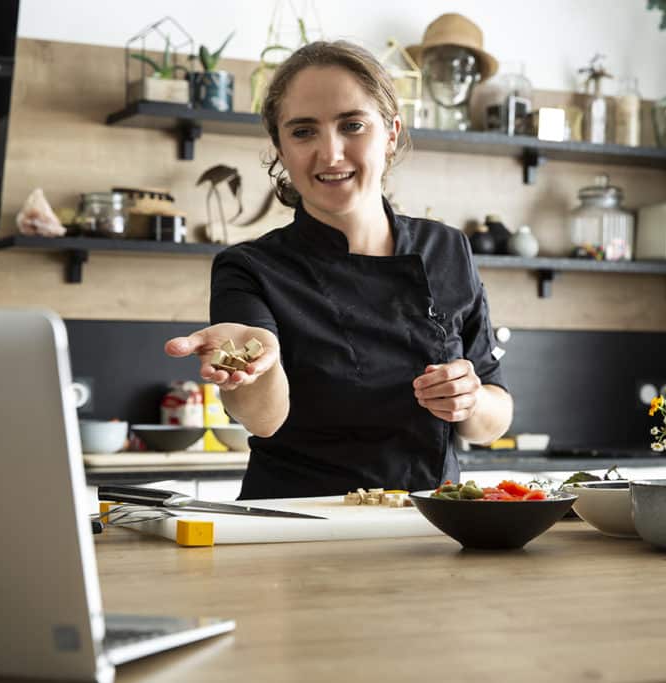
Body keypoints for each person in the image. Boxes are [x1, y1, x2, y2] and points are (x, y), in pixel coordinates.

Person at [165, 40, 513, 499]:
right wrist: (256, 366)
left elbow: (493, 415)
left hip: (428, 525)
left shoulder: (446, 248)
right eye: (303, 132)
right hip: (297, 529)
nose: (330, 154)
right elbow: (263, 418)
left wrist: (468, 399)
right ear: (280, 148)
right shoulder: (250, 267)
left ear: (390, 134)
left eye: (352, 125)